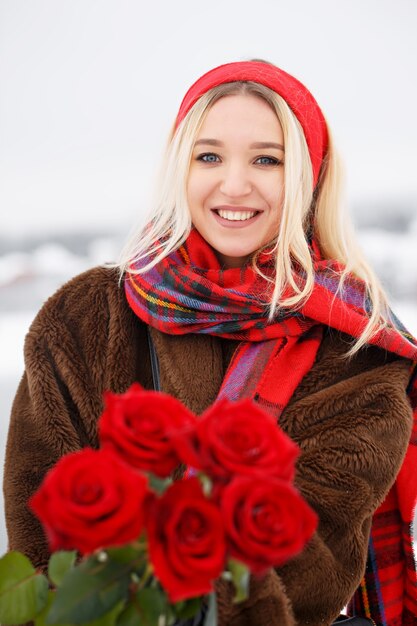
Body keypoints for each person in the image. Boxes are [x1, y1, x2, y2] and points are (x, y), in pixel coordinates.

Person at [4, 60, 417, 626]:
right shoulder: (82, 320)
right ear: (181, 168)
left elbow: (314, 567)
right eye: (209, 156)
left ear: (308, 176)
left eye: (267, 160)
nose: (234, 184)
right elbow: (38, 538)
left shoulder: (357, 352)